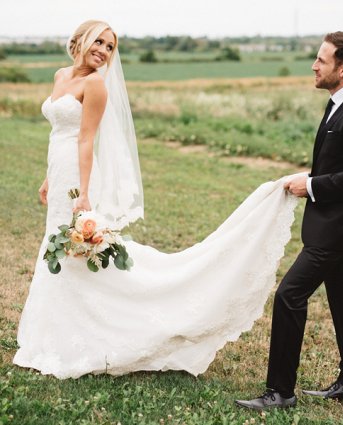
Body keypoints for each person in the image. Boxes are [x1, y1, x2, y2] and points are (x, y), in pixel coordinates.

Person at [13, 20, 300, 379]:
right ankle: (55, 334)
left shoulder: (95, 85)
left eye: (110, 46)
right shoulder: (60, 76)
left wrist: (83, 192)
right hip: (61, 170)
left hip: (80, 174)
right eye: (99, 41)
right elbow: (62, 133)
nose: (103, 50)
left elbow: (86, 140)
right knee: (64, 250)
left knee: (76, 248)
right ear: (81, 39)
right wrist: (49, 177)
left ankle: (109, 330)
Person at [236, 32, 343, 410]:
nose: (314, 65)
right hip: (333, 225)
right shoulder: (338, 105)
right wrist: (310, 175)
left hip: (337, 229)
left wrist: (312, 185)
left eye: (322, 60)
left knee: (289, 295)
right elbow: (340, 163)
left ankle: (280, 391)